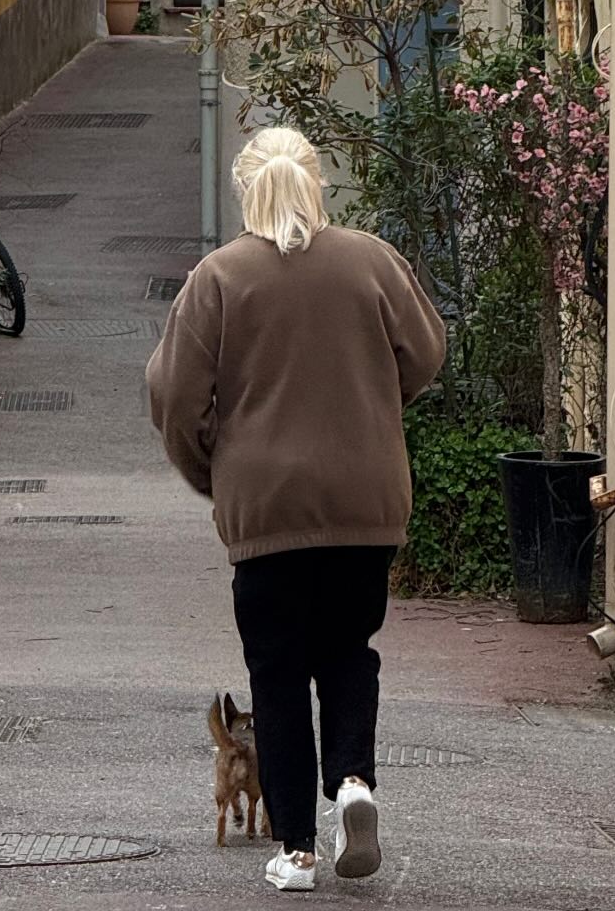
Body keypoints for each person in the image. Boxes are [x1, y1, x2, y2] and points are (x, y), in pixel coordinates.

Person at [146, 125, 446, 894]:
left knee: (275, 672)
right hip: (365, 500)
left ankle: (298, 850)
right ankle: (353, 783)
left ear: (249, 187)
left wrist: (211, 466)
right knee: (349, 651)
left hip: (267, 507)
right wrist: (377, 404)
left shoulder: (218, 278)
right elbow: (427, 352)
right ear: (319, 184)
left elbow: (172, 396)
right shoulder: (372, 261)